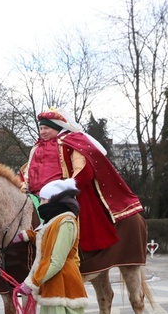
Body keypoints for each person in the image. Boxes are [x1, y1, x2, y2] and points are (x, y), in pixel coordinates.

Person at [20, 108, 144, 253]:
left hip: (61, 194)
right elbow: (28, 170)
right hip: (35, 194)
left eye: (46, 128)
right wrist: (24, 184)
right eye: (40, 128)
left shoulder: (70, 143)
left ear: (57, 127)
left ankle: (67, 250)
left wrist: (64, 188)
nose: (42, 132)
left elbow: (83, 169)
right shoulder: (36, 147)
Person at [16, 178, 92, 314]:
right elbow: (44, 238)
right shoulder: (55, 219)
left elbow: (56, 260)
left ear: (55, 199)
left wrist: (31, 283)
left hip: (63, 284)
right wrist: (27, 235)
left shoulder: (66, 220)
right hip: (54, 284)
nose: (41, 202)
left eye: (44, 199)